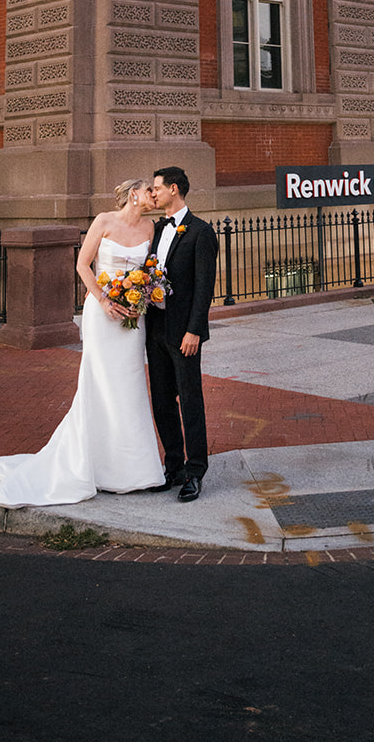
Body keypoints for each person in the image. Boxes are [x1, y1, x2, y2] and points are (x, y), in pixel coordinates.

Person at [0, 179, 164, 507]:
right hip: (101, 313)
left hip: (133, 317)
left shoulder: (151, 228)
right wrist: (104, 300)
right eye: (150, 191)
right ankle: (90, 465)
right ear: (134, 194)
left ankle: (134, 471)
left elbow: (148, 271)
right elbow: (82, 264)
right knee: (98, 384)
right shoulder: (103, 221)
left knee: (131, 385)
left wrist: (140, 300)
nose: (154, 196)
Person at [145, 167, 218, 502]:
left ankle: (195, 470)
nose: (153, 194)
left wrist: (195, 331)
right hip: (155, 329)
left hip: (183, 333)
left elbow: (204, 289)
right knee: (161, 402)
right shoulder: (157, 228)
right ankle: (172, 466)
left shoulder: (201, 233)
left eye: (156, 188)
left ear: (173, 189)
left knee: (190, 401)